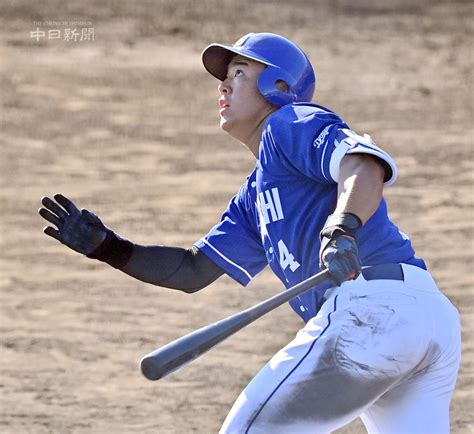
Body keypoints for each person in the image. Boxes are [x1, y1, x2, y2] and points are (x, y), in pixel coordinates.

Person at [39, 33, 461, 433]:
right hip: (427, 322)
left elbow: (363, 165)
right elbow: (191, 271)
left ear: (279, 85)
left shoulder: (290, 122)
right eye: (224, 78)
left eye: (239, 73)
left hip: (373, 310)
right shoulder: (254, 197)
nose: (223, 86)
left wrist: (341, 228)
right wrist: (110, 248)